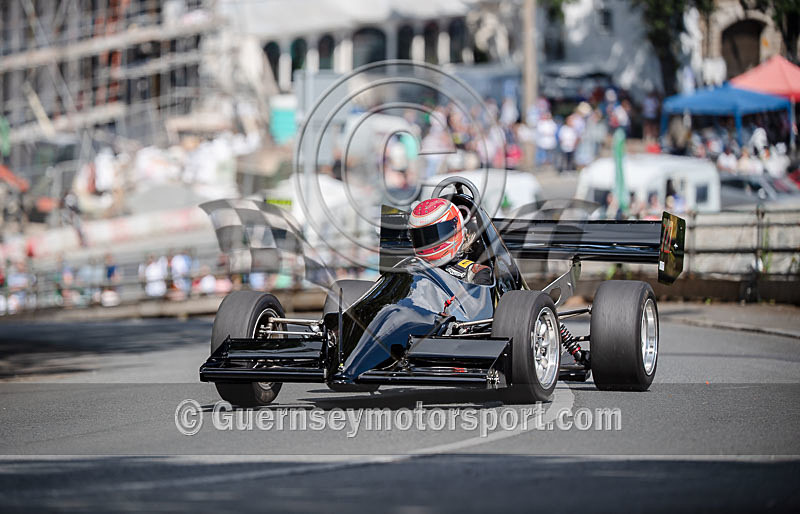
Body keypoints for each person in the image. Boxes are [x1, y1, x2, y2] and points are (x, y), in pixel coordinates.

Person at [407, 198, 492, 285]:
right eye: (422, 237)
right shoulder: (409, 269)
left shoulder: (475, 273)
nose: (430, 243)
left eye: (437, 234)